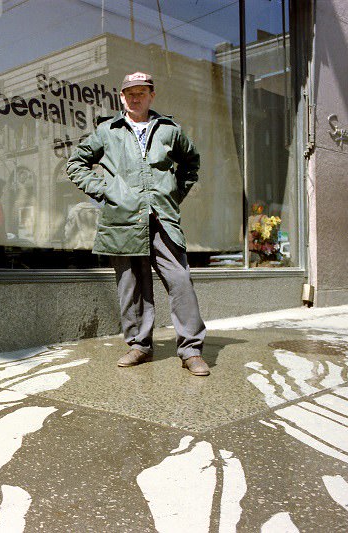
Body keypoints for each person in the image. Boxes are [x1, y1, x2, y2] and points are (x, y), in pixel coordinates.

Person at [66, 71, 209, 376]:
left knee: (180, 280)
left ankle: (191, 350)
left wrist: (172, 195)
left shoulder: (170, 131)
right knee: (131, 286)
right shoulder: (108, 131)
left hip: (162, 219)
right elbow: (75, 164)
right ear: (122, 97)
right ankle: (139, 346)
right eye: (130, 93)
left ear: (151, 95)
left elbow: (190, 164)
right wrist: (107, 191)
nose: (135, 97)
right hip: (122, 219)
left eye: (141, 92)